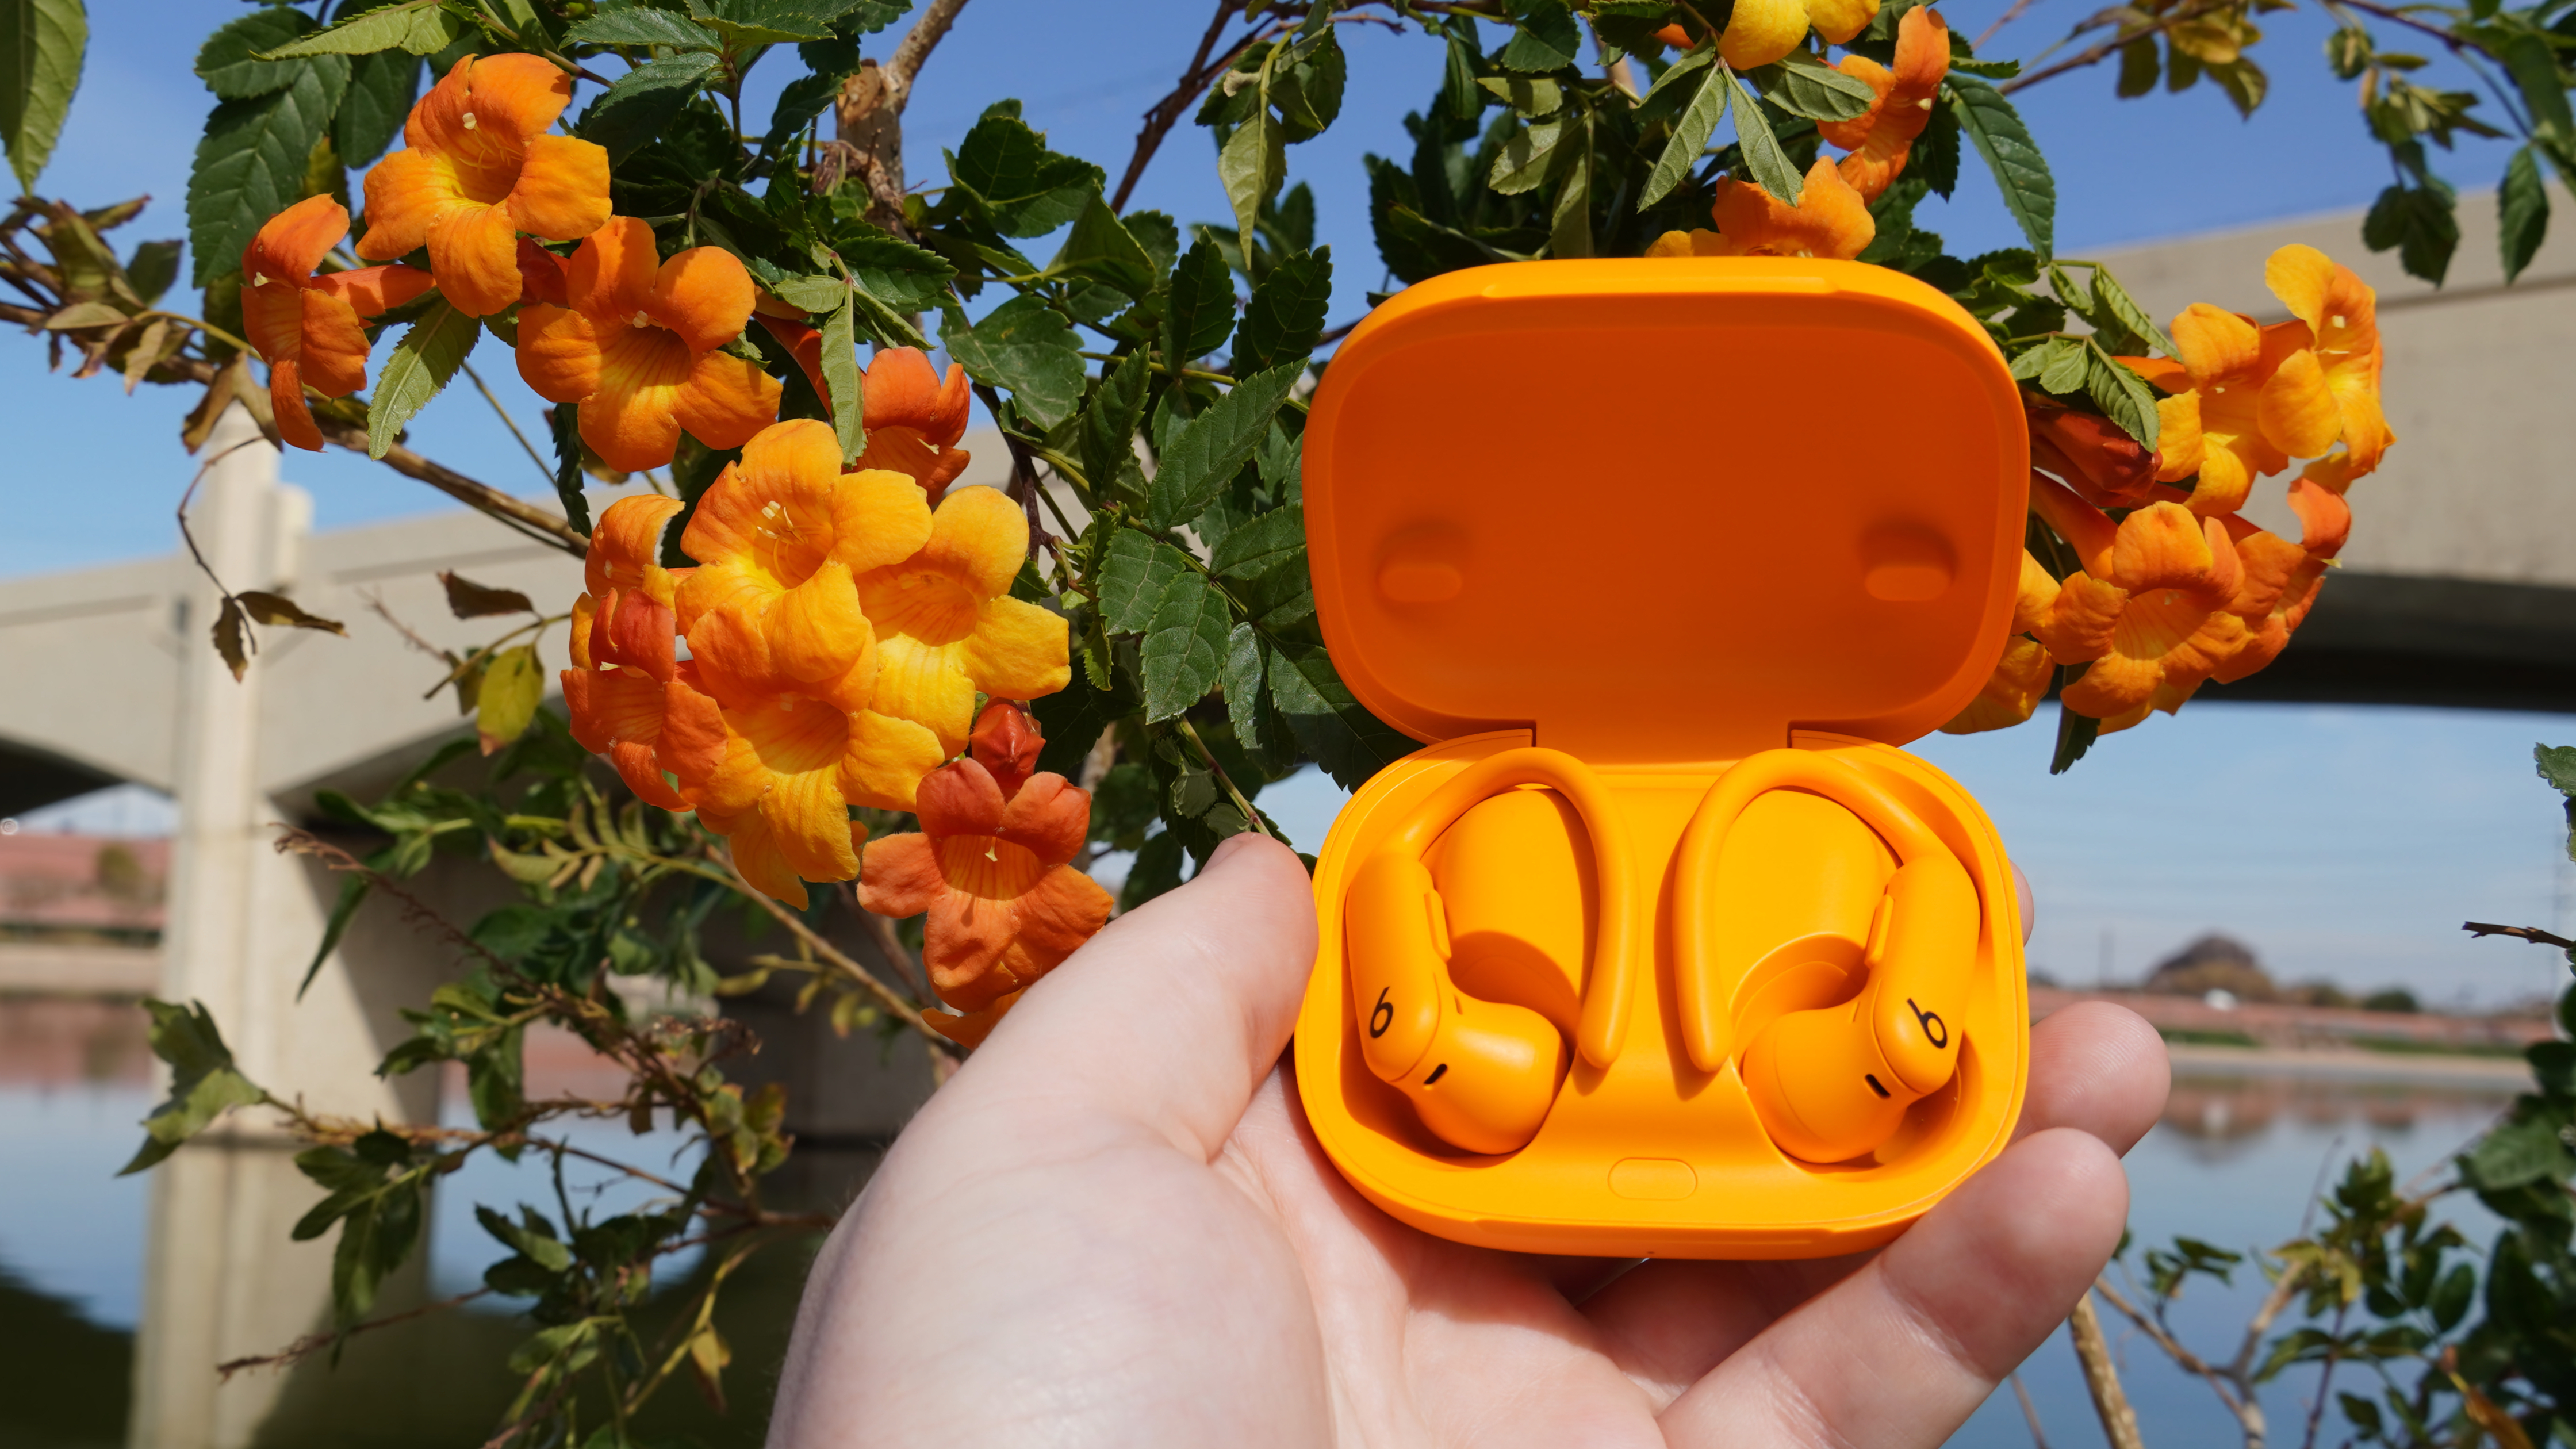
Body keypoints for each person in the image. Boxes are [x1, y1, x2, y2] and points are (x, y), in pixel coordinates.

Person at [769, 834, 2171, 1446]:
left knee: (1869, 1067)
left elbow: (1923, 925)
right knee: (1449, 1052)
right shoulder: (1423, 919)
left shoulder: (1894, 877)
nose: (1635, 1064)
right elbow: (1388, 906)